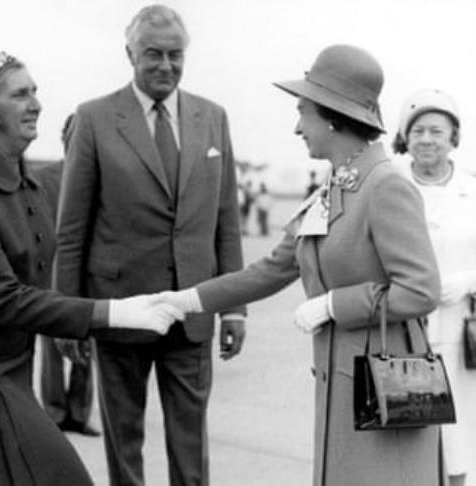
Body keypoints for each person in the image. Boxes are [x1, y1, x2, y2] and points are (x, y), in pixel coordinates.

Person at [0, 44, 183, 486]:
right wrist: (112, 313)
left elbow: (48, 271)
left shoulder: (28, 183)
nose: (37, 104)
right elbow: (4, 298)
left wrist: (84, 319)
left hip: (6, 364)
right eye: (21, 94)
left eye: (35, 91)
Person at [160, 45, 443, 486]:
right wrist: (188, 299)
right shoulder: (335, 186)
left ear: (332, 116)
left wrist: (334, 304)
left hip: (386, 390)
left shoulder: (385, 186)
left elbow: (420, 290)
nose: (297, 127)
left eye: (302, 112)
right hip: (343, 389)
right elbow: (272, 268)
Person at [54, 5, 246, 485]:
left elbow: (226, 220)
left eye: (175, 55)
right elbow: (72, 228)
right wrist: (70, 316)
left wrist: (236, 308)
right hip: (120, 310)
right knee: (124, 443)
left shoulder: (213, 118)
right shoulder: (94, 118)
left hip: (192, 308)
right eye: (153, 55)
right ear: (129, 54)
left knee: (191, 446)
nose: (165, 66)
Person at [393, 88, 476, 486]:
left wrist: (467, 281)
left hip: (463, 335)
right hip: (404, 332)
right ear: (405, 137)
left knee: (462, 439)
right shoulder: (389, 186)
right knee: (413, 441)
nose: (426, 139)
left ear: (453, 138)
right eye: (418, 130)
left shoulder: (473, 189)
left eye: (436, 131)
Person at [39, 114, 100, 437]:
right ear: (64, 138)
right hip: (51, 273)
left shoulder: (99, 178)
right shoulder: (43, 177)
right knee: (51, 344)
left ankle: (79, 412)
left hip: (90, 274)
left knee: (87, 342)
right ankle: (53, 410)